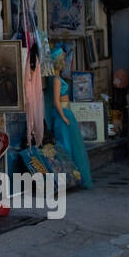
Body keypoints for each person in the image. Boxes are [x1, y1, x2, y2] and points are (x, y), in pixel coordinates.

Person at [45, 44, 92, 188]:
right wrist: (63, 116)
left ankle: (71, 175)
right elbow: (56, 101)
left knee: (69, 143)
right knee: (65, 144)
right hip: (62, 113)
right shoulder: (57, 80)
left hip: (65, 112)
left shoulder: (57, 78)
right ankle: (68, 175)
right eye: (63, 60)